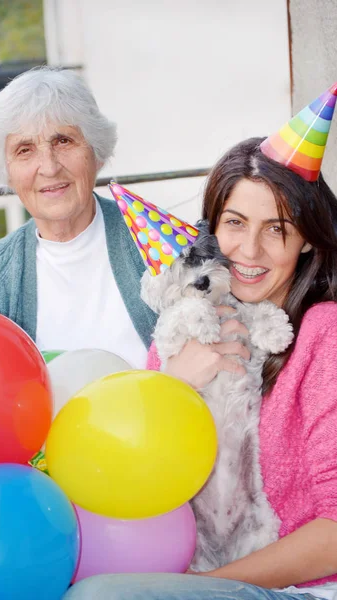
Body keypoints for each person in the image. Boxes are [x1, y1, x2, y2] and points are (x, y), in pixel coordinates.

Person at [66, 85, 337, 600]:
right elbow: (136, 473)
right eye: (234, 224)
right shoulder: (183, 331)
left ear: (306, 239)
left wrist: (201, 587)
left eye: (277, 228)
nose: (249, 251)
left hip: (307, 590)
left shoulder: (325, 333)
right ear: (210, 229)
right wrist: (172, 384)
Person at [0, 67, 156, 368]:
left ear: (96, 152)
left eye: (63, 141)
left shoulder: (155, 239)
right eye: (24, 150)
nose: (49, 167)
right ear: (7, 171)